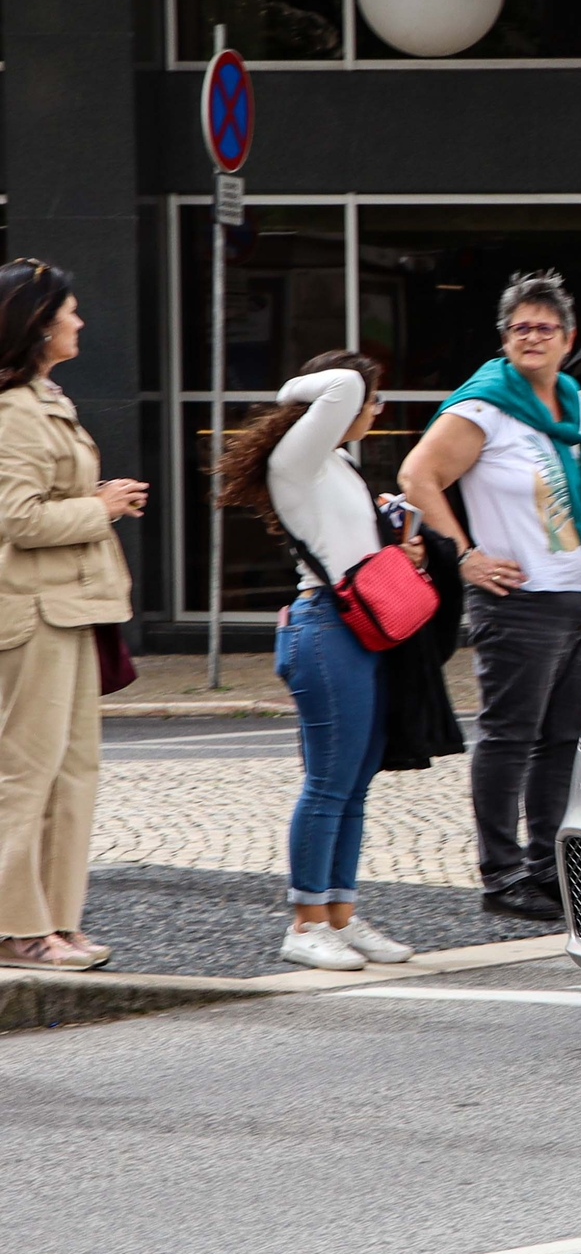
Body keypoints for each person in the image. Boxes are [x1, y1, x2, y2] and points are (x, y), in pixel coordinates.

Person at [399, 271, 581, 923]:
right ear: (503, 338)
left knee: (560, 741)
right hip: (521, 601)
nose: (533, 337)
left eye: (545, 327)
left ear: (569, 339)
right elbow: (418, 474)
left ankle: (548, 865)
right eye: (520, 326)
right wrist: (464, 556)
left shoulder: (573, 403)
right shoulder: (487, 405)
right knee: (509, 736)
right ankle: (501, 873)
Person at [215, 351, 423, 970]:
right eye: (373, 400)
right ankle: (304, 924)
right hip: (325, 628)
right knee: (329, 782)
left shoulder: (334, 462)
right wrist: (294, 388)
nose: (375, 408)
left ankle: (340, 915)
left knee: (354, 782)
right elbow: (344, 381)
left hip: (358, 626)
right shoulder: (299, 457)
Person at [0, 260, 145, 971]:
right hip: (32, 614)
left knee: (72, 773)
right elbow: (16, 519)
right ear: (38, 322)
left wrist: (98, 496)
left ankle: (56, 919)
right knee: (26, 775)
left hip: (73, 608)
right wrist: (102, 506)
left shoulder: (44, 399)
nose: (81, 322)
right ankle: (15, 928)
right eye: (72, 311)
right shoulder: (14, 412)